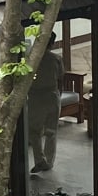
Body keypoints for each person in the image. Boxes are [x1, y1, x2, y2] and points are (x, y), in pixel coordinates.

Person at [27, 44, 63, 173]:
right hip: (52, 94)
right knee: (51, 131)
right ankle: (48, 161)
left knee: (34, 130)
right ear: (52, 44)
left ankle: (39, 160)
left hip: (35, 96)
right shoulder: (56, 59)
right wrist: (58, 95)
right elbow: (61, 79)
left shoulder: (32, 59)